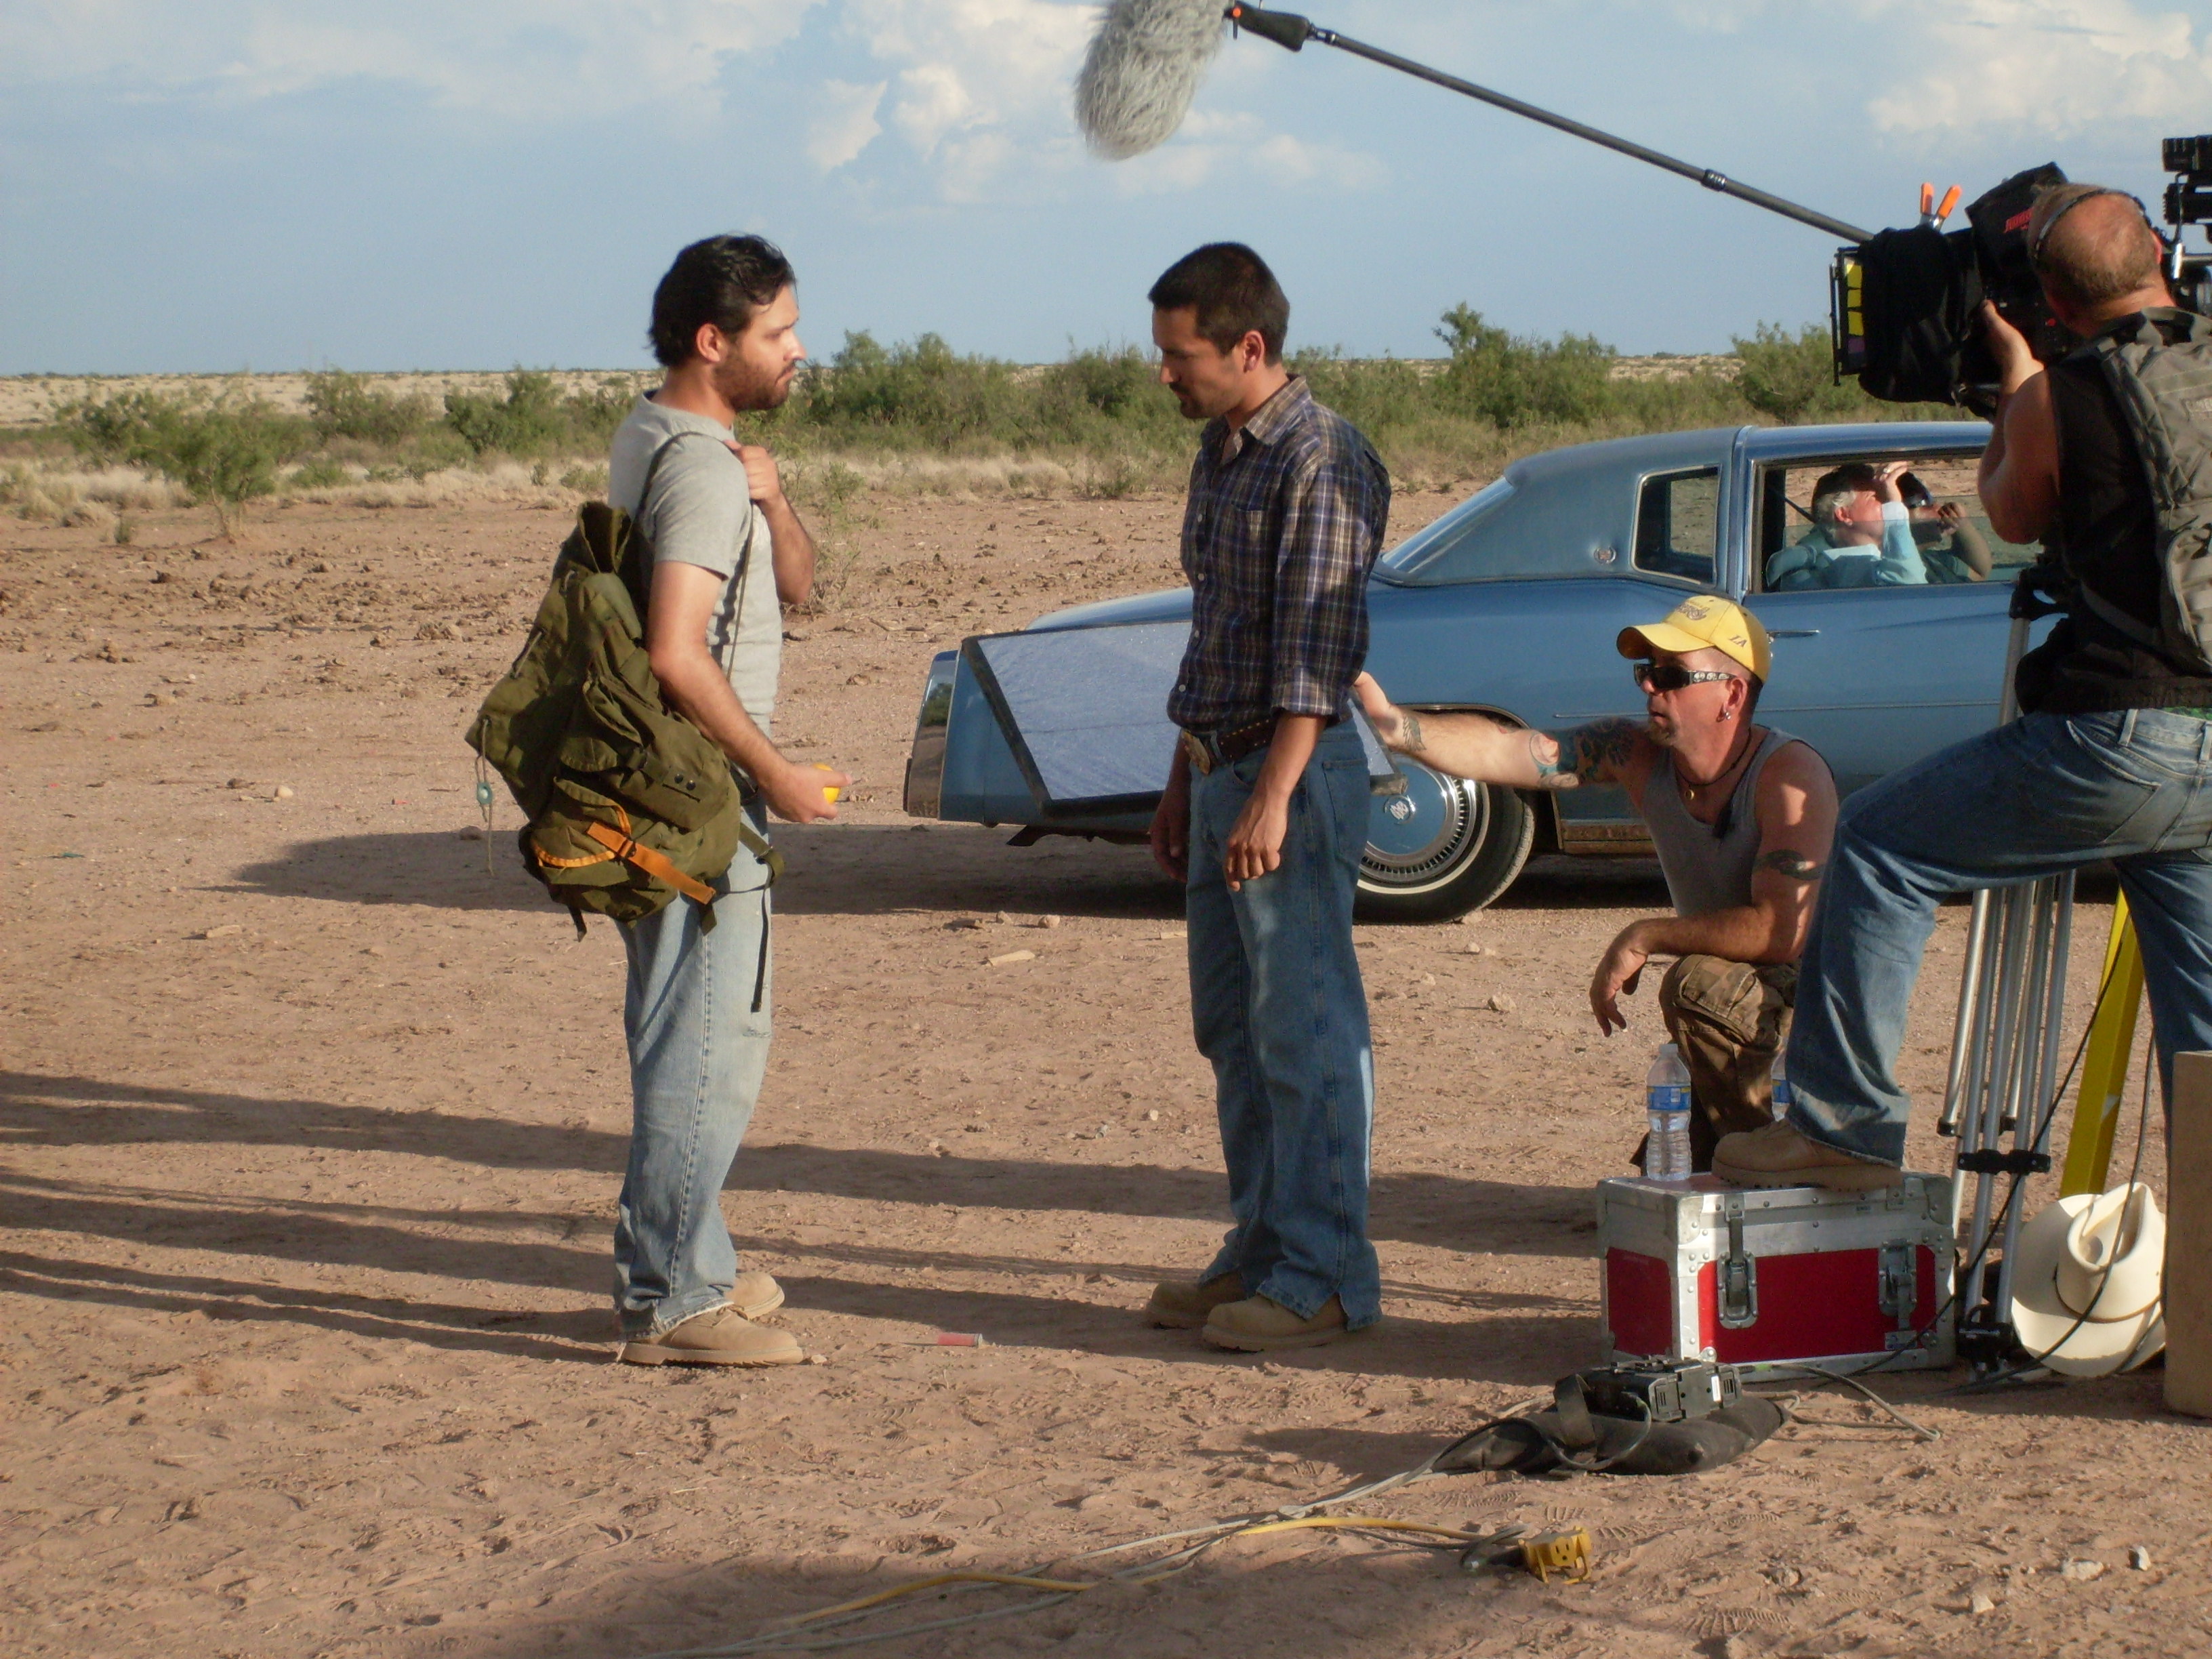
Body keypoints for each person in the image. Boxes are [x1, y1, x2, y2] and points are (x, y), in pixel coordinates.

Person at [1715, 184, 2212, 1191]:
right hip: (2206, 749)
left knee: (1880, 845)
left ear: (2050, 303)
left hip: (2116, 735)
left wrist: (2021, 380)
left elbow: (2013, 513)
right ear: (2159, 254)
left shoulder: (2060, 393)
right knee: (2202, 1034)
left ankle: (1841, 1131)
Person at [1141, 243, 1392, 1353]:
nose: (1165, 374)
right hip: (1216, 768)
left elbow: (1316, 647)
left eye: (1178, 353)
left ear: (1248, 346)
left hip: (1281, 776)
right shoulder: (1224, 452)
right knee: (1233, 1030)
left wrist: (1272, 795)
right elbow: (1215, 631)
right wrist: (1179, 781)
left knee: (1303, 1030)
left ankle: (1325, 1272)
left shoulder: (1323, 459)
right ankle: (1259, 1245)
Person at [1354, 596, 1838, 1171]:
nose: (1649, 690)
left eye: (1670, 676)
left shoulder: (1788, 774)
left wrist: (1644, 935)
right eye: (1646, 673)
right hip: (1737, 990)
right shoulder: (1636, 753)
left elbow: (1783, 932)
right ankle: (1734, 1150)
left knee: (1700, 986)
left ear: (1731, 695)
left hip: (1813, 998)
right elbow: (1507, 750)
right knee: (1705, 990)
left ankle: (1777, 1155)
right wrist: (1394, 725)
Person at [602, 234, 848, 1363]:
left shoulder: (679, 441)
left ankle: (689, 1255)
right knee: (704, 1039)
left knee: (691, 1027)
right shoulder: (695, 464)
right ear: (715, 341)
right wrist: (777, 771)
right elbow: (672, 652)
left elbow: (794, 585)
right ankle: (672, 1299)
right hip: (702, 795)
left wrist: (777, 495)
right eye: (777, 332)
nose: (799, 350)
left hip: (682, 789)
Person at [1765, 461, 1928, 589]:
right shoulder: (1844, 568)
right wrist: (1894, 506)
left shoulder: (1882, 559)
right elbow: (1909, 582)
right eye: (1876, 497)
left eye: (1884, 497)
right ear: (1844, 514)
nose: (1885, 502)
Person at [1899, 470, 1994, 584]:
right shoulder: (1888, 571)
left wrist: (1962, 525)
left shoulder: (1932, 560)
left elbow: (1979, 574)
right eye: (1926, 504)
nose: (1938, 508)